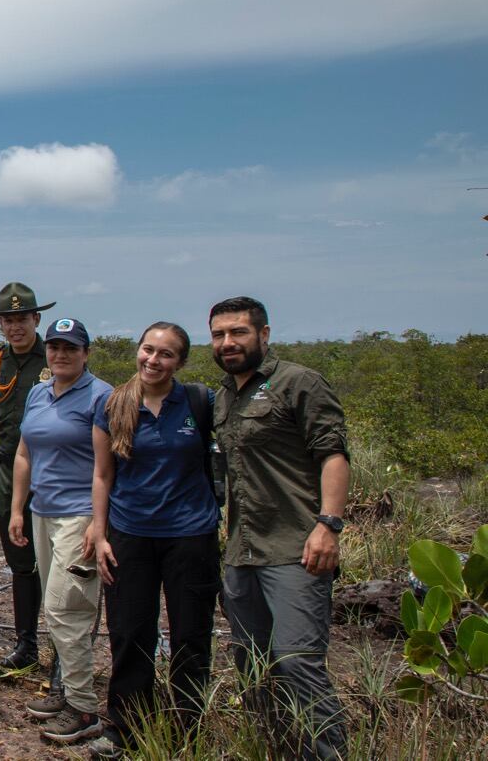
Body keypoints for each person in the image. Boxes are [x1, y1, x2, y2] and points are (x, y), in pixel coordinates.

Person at [210, 297, 349, 761]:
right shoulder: (225, 395)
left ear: (263, 335)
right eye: (219, 335)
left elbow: (332, 453)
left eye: (238, 332)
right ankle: (277, 749)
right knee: (253, 666)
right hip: (242, 553)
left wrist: (328, 524)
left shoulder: (298, 382)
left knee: (298, 663)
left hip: (295, 549)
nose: (228, 343)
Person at [83, 323, 220, 758]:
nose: (153, 360)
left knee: (191, 637)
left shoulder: (199, 403)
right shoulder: (112, 405)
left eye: (166, 354)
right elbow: (103, 474)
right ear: (137, 351)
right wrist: (100, 533)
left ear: (180, 361)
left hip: (191, 535)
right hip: (130, 534)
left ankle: (187, 729)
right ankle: (126, 726)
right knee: (129, 632)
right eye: (148, 350)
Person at [9, 317, 112, 746]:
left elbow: (108, 468)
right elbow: (24, 453)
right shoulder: (38, 392)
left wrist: (97, 524)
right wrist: (18, 509)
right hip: (43, 512)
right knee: (57, 611)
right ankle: (68, 690)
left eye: (70, 347)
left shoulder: (102, 397)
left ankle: (85, 708)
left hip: (79, 517)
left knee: (67, 609)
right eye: (54, 347)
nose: (61, 354)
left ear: (86, 352)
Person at [0, 282, 54, 674]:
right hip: (8, 470)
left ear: (36, 318)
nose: (14, 327)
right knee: (20, 560)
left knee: (56, 561)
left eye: (21, 319)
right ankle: (26, 645)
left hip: (50, 470)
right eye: (7, 321)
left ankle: (61, 650)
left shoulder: (55, 356)